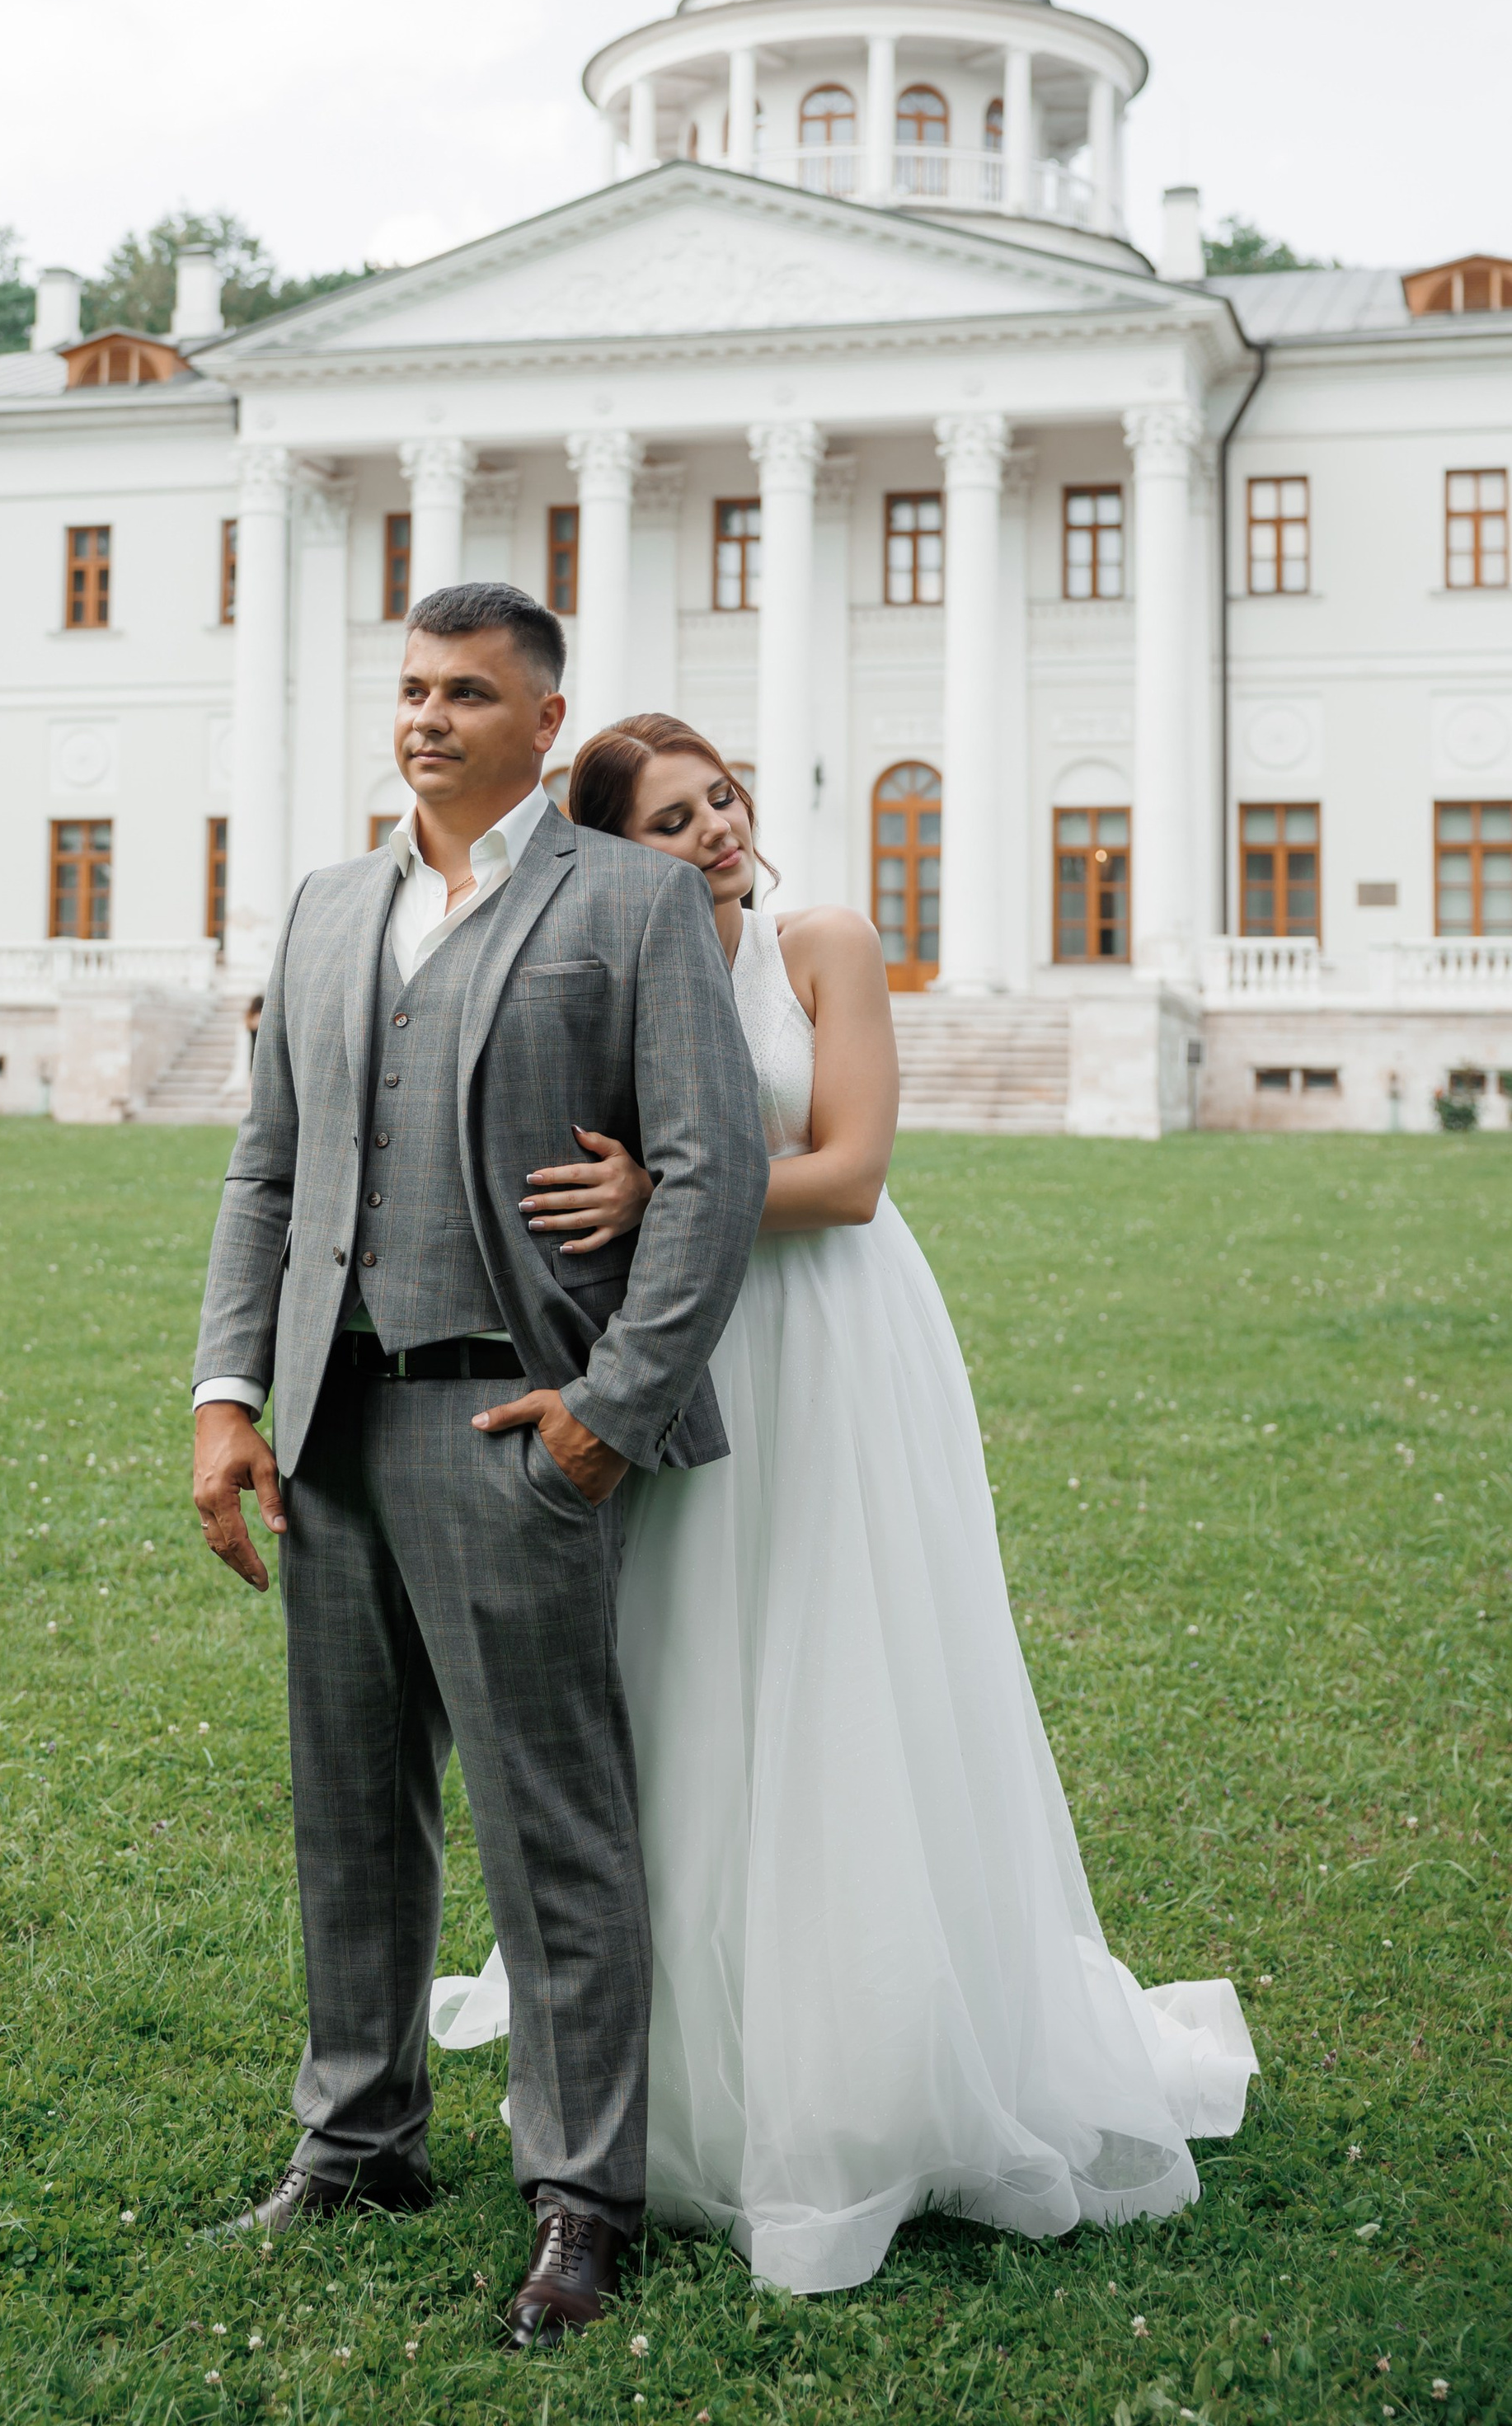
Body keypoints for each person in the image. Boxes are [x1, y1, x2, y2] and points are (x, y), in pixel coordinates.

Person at [434, 714, 1258, 2296]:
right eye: (674, 819)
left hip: (835, 1334)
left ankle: (878, 2060)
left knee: (844, 1666)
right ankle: (679, 2074)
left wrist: (668, 1190)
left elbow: (852, 1168)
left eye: (723, 797)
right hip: (690, 1343)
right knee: (687, 1681)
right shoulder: (614, 974)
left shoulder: (826, 943)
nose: (719, 830)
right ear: (620, 850)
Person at [189, 597, 768, 2346]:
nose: (428, 719)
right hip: (328, 1426)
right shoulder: (324, 905)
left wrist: (608, 1402)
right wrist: (227, 1395)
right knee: (349, 1812)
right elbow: (264, 1173)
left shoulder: (634, 903)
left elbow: (709, 1166)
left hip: (513, 1419)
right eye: (414, 690)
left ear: (543, 716)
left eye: (468, 693)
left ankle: (580, 2197)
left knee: (549, 1825)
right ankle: (355, 2136)